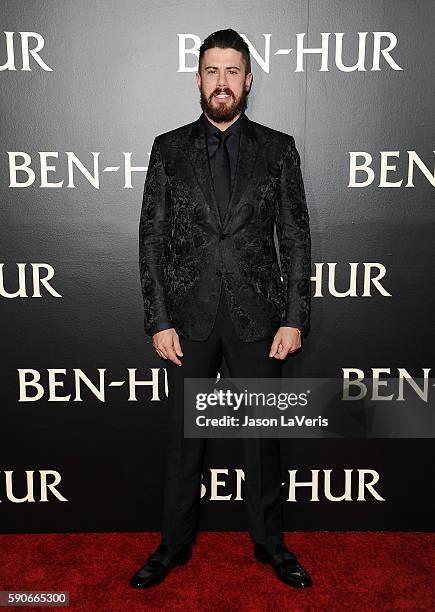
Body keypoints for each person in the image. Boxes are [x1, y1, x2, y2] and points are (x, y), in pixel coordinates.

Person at [131, 28, 312, 589]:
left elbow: (297, 239)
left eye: (233, 71)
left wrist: (295, 316)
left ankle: (271, 545)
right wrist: (158, 318)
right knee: (184, 441)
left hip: (260, 319)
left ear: (249, 79)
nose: (222, 82)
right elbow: (152, 238)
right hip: (189, 319)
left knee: (262, 439)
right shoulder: (168, 148)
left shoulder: (279, 150)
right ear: (198, 79)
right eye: (212, 71)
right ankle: (172, 546)